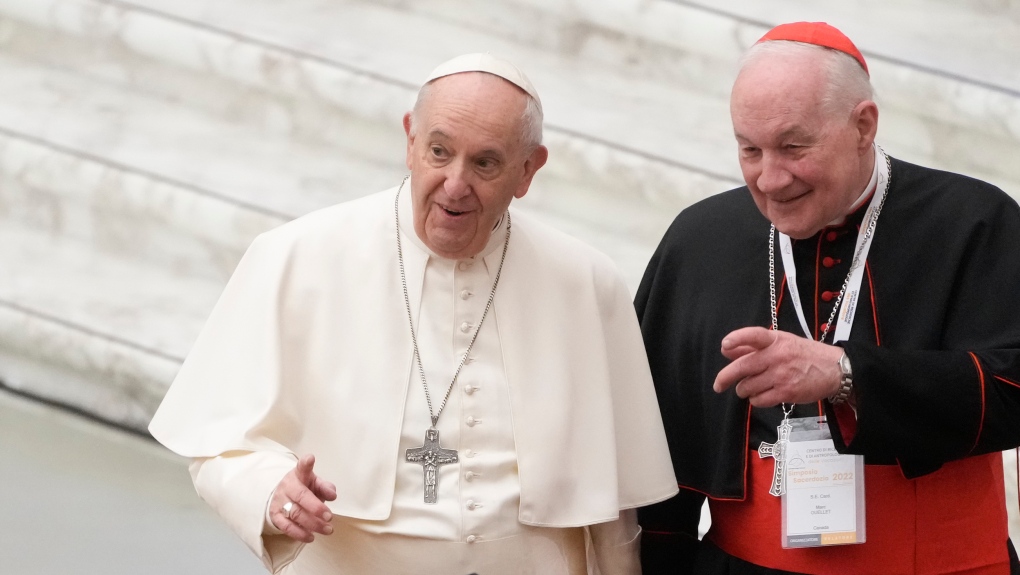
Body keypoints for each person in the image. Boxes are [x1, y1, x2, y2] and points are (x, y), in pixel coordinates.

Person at [148, 53, 678, 574]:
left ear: (528, 170)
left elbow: (616, 502)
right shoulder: (296, 257)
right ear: (409, 140)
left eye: (485, 163)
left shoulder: (584, 282)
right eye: (440, 152)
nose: (455, 184)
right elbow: (219, 448)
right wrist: (271, 493)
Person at [636, 22, 1020, 575]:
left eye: (793, 147)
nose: (770, 179)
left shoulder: (973, 222)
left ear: (863, 125)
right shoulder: (701, 237)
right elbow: (656, 427)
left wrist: (847, 373)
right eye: (749, 150)